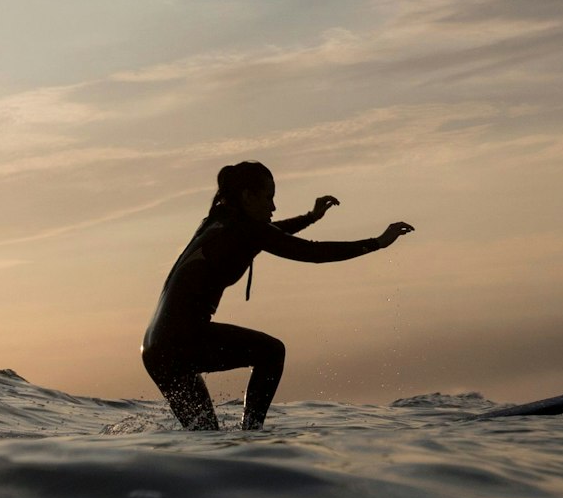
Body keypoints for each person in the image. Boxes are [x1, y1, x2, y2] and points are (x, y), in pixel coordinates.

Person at [142, 161, 413, 430]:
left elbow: (273, 234)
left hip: (156, 348)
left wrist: (310, 217)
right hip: (181, 339)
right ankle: (251, 435)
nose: (273, 207)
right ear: (247, 196)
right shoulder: (245, 229)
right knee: (271, 352)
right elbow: (310, 252)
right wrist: (377, 243)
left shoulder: (218, 221)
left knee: (204, 436)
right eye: (269, 197)